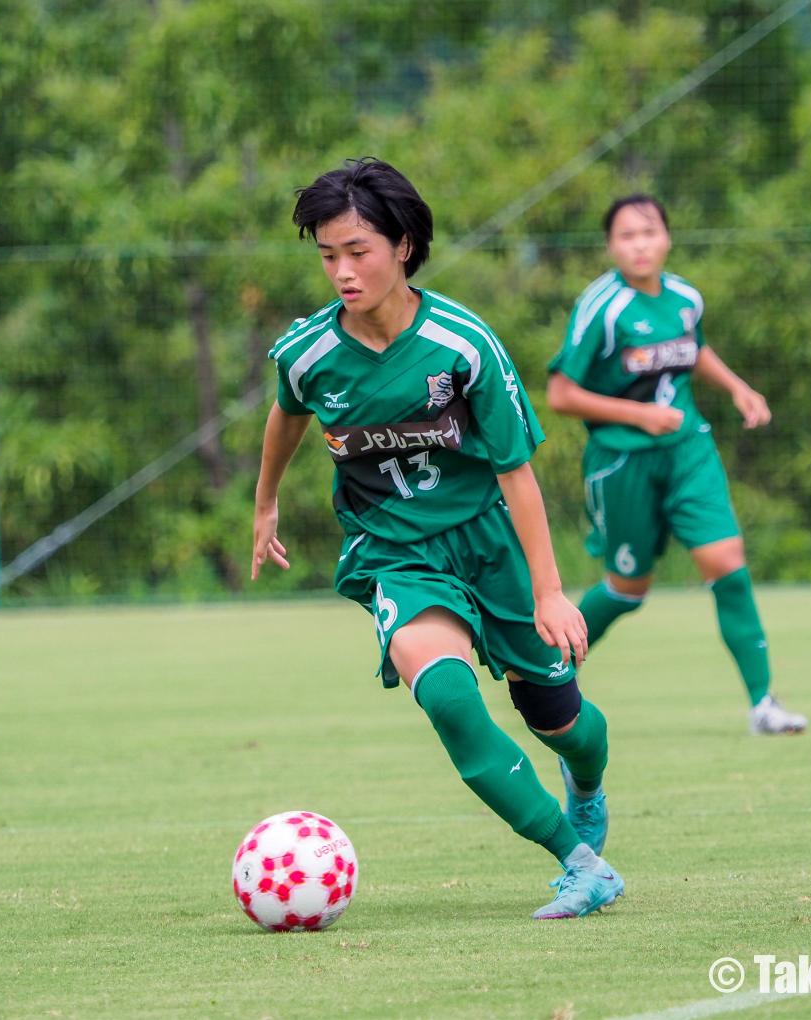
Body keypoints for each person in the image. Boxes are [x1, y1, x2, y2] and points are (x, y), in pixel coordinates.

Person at [252, 158, 624, 918]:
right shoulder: (308, 352)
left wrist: (550, 591)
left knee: (562, 724)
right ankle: (581, 864)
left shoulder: (464, 344)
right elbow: (286, 414)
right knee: (450, 698)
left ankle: (586, 785)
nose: (342, 272)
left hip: (489, 542)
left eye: (358, 251)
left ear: (403, 247)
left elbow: (515, 470)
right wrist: (266, 504)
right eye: (328, 255)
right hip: (395, 552)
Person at [546, 194, 807, 735]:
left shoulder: (686, 297)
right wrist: (640, 415)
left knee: (727, 562)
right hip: (623, 463)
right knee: (627, 589)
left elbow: (694, 348)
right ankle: (545, 669)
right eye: (627, 236)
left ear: (667, 238)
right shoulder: (603, 307)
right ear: (611, 246)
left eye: (649, 233)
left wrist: (737, 387)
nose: (640, 245)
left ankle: (763, 705)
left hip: (689, 450)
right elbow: (561, 394)